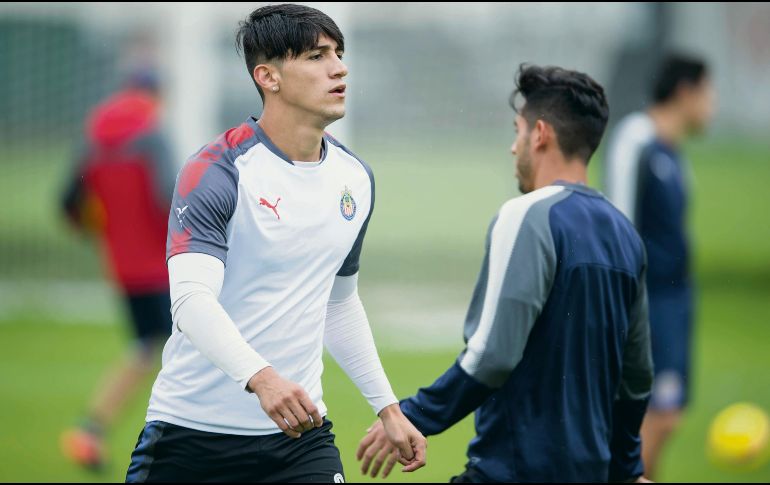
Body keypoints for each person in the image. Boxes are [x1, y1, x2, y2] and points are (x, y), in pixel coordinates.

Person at [125, 4, 426, 483]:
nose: (339, 67)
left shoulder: (355, 179)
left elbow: (339, 305)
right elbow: (189, 301)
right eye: (315, 56)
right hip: (191, 438)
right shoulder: (216, 170)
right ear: (268, 76)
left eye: (339, 53)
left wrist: (388, 408)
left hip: (299, 440)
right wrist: (262, 379)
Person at [357, 64, 653, 483]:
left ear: (540, 134)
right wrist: (626, 469)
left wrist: (413, 414)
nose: (514, 148)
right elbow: (636, 379)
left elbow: (493, 356)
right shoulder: (626, 234)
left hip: (513, 471)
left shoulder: (527, 215)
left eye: (518, 131)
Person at [604, 54, 716, 478]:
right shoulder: (637, 138)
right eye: (710, 93)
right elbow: (619, 222)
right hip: (648, 301)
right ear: (686, 92)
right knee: (656, 419)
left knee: (666, 419)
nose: (714, 105)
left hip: (676, 299)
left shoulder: (673, 152)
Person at [60, 69, 176, 470]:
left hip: (123, 267)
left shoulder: (93, 139)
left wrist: (109, 234)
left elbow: (69, 205)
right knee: (179, 351)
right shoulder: (153, 133)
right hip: (165, 266)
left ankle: (90, 431)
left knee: (149, 348)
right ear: (156, 95)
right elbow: (168, 196)